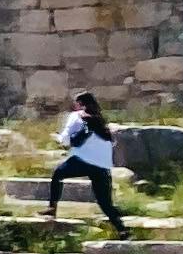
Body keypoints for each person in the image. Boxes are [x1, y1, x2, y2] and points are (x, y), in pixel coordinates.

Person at [47, 94, 130, 237]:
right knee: (104, 202)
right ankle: (123, 230)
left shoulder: (77, 116)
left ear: (80, 104)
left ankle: (51, 209)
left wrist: (58, 139)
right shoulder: (100, 120)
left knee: (58, 174)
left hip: (84, 159)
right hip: (102, 165)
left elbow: (67, 138)